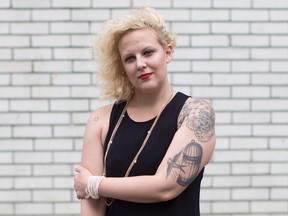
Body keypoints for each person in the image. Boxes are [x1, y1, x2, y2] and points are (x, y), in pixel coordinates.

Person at [74, 6, 216, 216]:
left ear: (168, 52)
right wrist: (91, 189)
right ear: (122, 67)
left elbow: (165, 187)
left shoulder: (195, 114)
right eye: (129, 58)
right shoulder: (100, 120)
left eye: (148, 52)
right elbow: (92, 205)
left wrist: (93, 184)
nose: (140, 64)